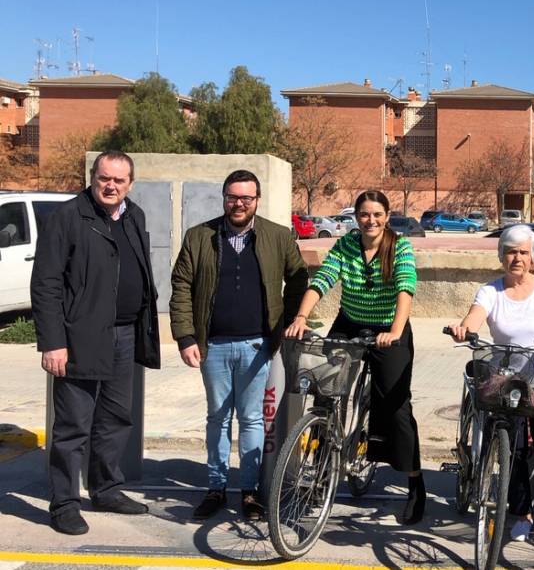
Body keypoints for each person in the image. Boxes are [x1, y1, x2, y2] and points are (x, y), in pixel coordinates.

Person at [31, 150, 161, 535]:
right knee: (72, 427)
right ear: (92, 177)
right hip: (79, 338)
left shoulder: (134, 216)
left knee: (115, 419)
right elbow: (47, 284)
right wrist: (53, 342)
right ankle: (65, 503)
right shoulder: (68, 219)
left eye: (119, 181)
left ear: (130, 184)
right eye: (104, 178)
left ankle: (106, 488)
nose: (111, 186)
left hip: (124, 336)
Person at [170, 170, 308, 520]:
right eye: (233, 196)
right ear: (224, 197)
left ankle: (249, 492)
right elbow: (181, 287)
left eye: (246, 198)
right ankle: (216, 488)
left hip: (257, 346)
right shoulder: (200, 236)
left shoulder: (276, 236)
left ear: (257, 200)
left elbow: (298, 279)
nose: (239, 203)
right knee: (217, 418)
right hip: (212, 346)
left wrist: (289, 322)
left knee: (251, 420)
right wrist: (185, 337)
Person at [284, 190, 424, 524]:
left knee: (396, 405)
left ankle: (415, 483)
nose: (370, 220)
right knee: (324, 389)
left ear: (387, 216)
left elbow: (406, 289)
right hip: (350, 322)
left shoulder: (399, 247)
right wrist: (302, 317)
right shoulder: (347, 245)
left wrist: (394, 330)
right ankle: (318, 471)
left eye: (377, 214)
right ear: (356, 217)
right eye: (364, 214)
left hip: (390, 327)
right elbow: (323, 278)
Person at [449, 225, 534, 545]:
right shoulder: (490, 291)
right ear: (501, 255)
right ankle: (522, 513)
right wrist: (464, 329)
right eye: (510, 251)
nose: (516, 257)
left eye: (522, 251)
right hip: (507, 383)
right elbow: (475, 317)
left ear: (532, 256)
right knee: (514, 449)